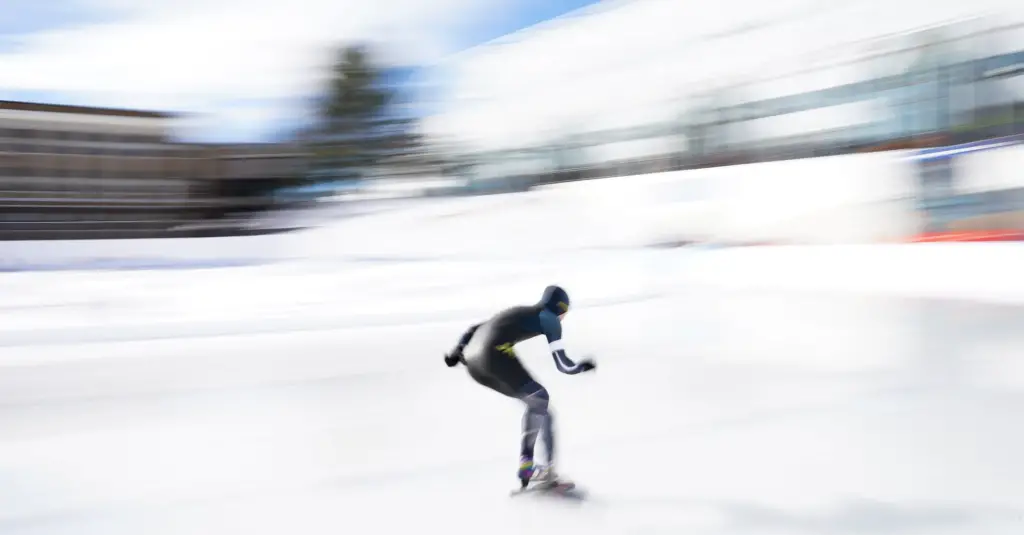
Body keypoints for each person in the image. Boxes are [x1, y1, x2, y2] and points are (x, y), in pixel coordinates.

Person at [444, 285, 596, 488]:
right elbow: (562, 365)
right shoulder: (549, 319)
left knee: (538, 405)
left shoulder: (518, 311)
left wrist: (457, 351)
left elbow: (475, 329)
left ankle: (531, 468)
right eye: (565, 313)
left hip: (473, 363)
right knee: (540, 399)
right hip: (494, 355)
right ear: (560, 308)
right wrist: (581, 367)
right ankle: (539, 470)